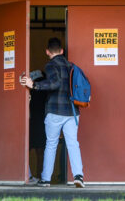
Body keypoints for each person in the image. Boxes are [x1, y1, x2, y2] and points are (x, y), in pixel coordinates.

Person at [20, 37, 84, 188]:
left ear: (47, 51)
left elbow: (55, 83)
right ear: (62, 51)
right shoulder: (71, 66)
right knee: (73, 143)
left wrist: (34, 84)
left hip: (55, 111)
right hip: (72, 112)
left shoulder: (50, 66)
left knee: (51, 144)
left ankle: (45, 179)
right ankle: (78, 176)